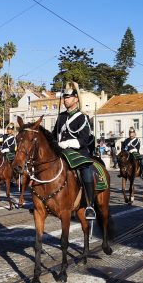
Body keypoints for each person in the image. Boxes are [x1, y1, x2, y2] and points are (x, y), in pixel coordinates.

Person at [52, 81, 96, 219]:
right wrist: (54, 144)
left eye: (68, 97)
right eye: (64, 97)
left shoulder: (82, 117)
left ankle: (89, 205)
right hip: (62, 152)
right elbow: (54, 135)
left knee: (86, 171)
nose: (65, 99)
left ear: (76, 99)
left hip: (78, 153)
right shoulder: (61, 117)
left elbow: (84, 140)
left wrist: (67, 143)